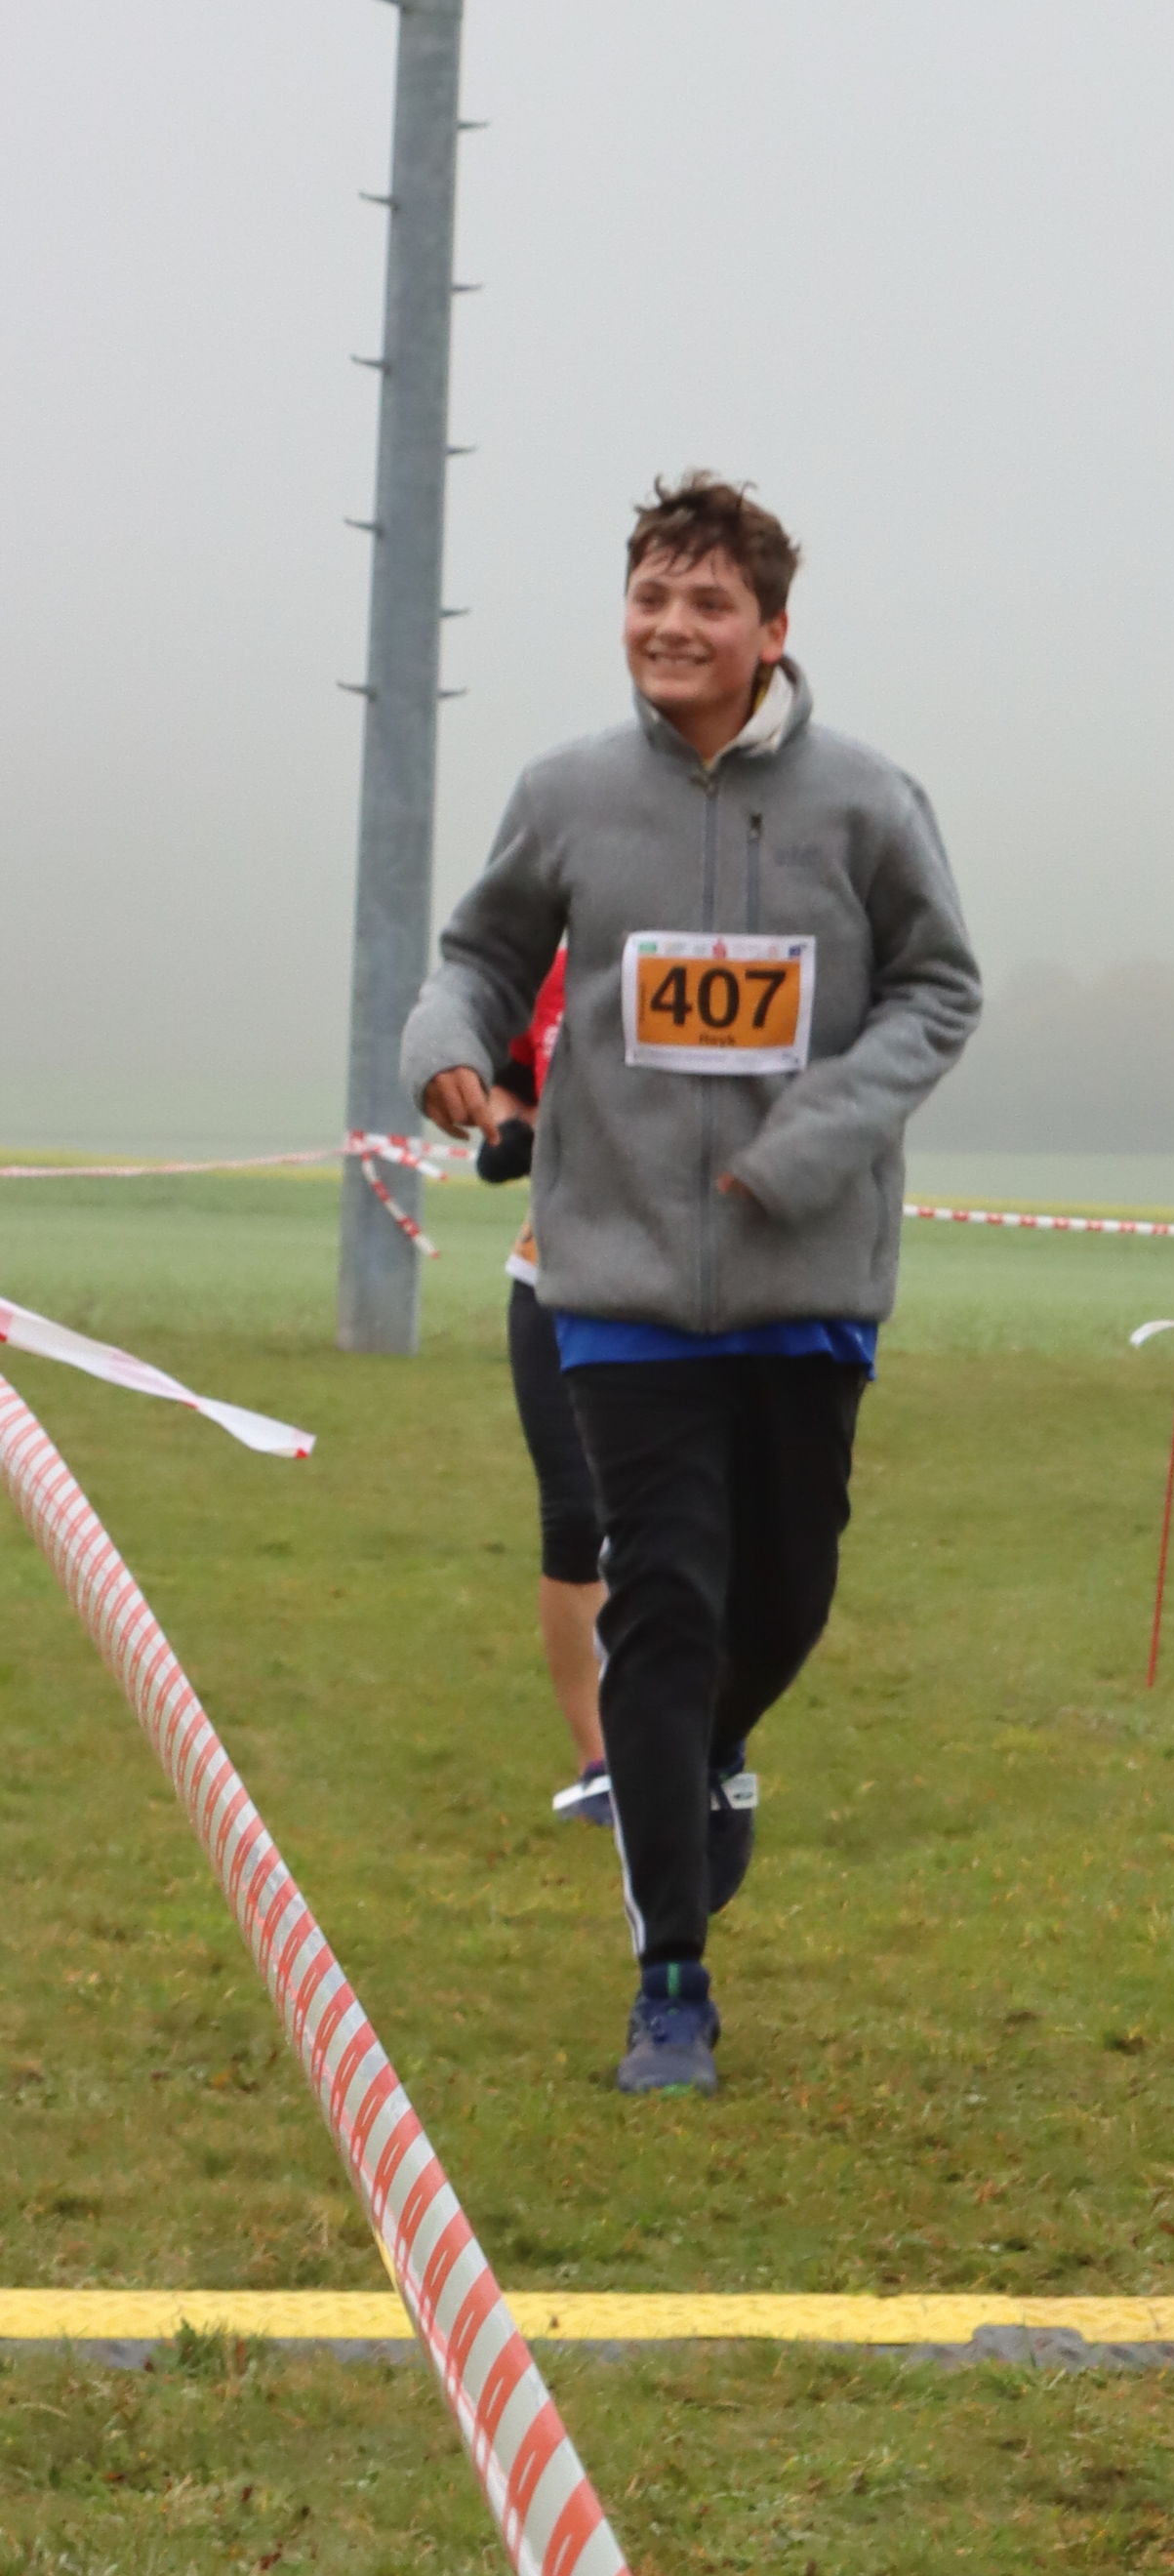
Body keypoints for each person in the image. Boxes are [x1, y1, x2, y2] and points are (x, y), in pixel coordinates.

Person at [404, 474, 982, 2096]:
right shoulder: (568, 794)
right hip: (617, 1285)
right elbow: (480, 959)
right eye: (651, 595)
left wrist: (822, 1134)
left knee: (781, 1599)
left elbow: (939, 991)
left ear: (771, 631)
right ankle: (672, 1983)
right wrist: (451, 1051)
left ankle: (714, 1746)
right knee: (658, 1605)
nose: (672, 625)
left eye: (708, 601)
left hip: (809, 1281)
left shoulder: (869, 803)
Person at [463, 945, 614, 1827]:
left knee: (679, 1517)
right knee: (575, 1513)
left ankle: (694, 1744)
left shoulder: (711, 947)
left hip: (672, 1288)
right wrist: (506, 1125)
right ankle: (602, 1764)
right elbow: (513, 1083)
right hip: (549, 1276)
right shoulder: (556, 969)